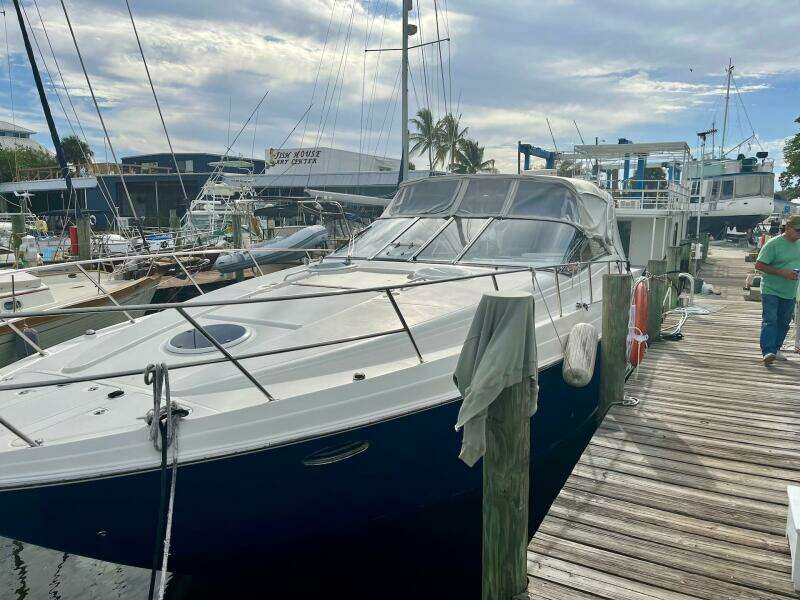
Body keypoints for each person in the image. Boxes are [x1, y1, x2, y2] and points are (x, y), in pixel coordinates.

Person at [755, 214, 800, 365]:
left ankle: (775, 349)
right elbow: (759, 265)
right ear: (788, 228)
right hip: (770, 289)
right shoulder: (773, 244)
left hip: (790, 290)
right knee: (770, 320)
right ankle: (768, 351)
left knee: (784, 322)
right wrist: (782, 272)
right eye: (798, 230)